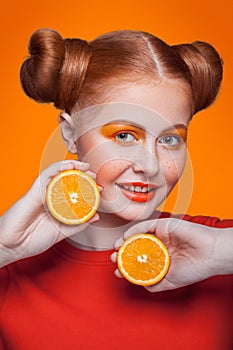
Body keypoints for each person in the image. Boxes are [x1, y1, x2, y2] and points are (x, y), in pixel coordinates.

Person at [0, 28, 232, 349]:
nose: (150, 165)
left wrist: (222, 252)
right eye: (124, 135)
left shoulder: (220, 251)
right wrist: (4, 248)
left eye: (169, 139)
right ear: (69, 133)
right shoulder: (9, 272)